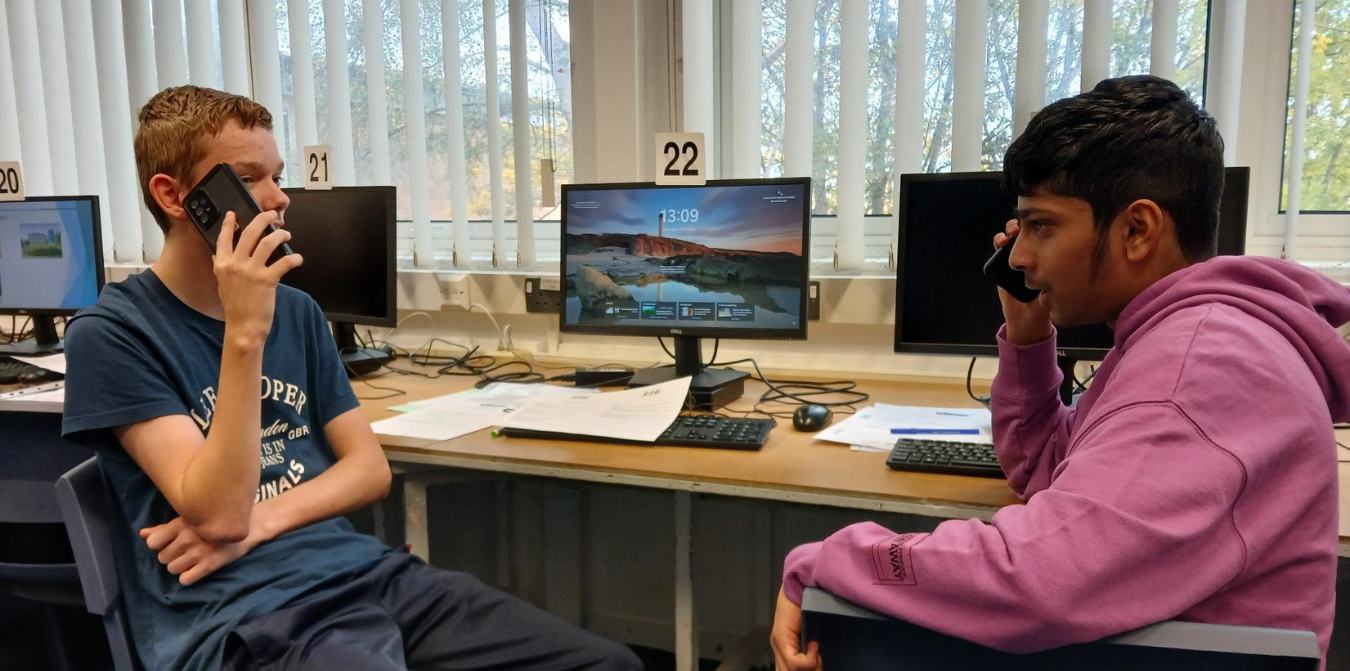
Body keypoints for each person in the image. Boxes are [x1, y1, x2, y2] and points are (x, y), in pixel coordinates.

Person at [769, 75, 1350, 670]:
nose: (1018, 257)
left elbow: (1035, 581)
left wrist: (829, 560)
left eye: (1042, 226)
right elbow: (1047, 471)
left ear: (1137, 230)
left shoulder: (1197, 368)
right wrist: (1027, 333)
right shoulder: (1174, 338)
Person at [61, 85, 642, 671]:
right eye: (248, 178)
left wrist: (263, 522)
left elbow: (369, 470)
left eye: (276, 176)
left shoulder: (297, 312)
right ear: (176, 195)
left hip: (361, 576)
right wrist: (244, 332)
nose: (279, 197)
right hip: (239, 615)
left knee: (607, 664)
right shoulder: (113, 333)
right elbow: (218, 516)